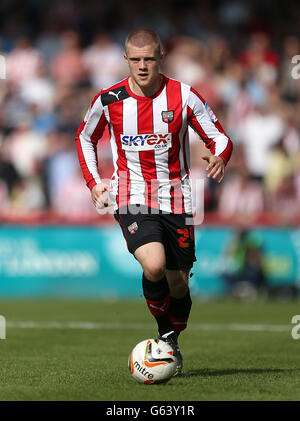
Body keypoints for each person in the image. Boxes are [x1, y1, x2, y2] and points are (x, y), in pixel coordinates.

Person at [75, 28, 233, 376]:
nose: (143, 66)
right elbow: (85, 137)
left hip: (176, 197)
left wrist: (220, 156)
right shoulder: (109, 99)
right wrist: (94, 183)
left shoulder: (184, 96)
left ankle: (172, 339)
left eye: (149, 58)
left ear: (161, 57)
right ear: (126, 60)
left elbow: (219, 136)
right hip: (131, 195)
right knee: (154, 265)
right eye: (136, 59)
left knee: (179, 283)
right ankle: (164, 336)